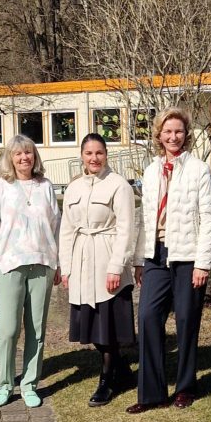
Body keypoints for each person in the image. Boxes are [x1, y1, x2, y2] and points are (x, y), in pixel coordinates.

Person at [127, 107, 211, 413]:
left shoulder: (198, 169)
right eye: (167, 131)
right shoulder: (151, 171)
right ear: (159, 135)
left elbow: (208, 218)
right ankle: (151, 393)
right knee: (148, 317)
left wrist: (203, 263)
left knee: (187, 320)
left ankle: (185, 387)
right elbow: (145, 217)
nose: (173, 136)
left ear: (186, 134)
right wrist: (139, 259)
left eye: (178, 131)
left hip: (188, 255)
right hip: (156, 254)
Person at [0, 134, 61, 407]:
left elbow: (56, 225)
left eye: (28, 152)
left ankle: (29, 384)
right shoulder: (1, 186)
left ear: (34, 156)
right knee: (8, 330)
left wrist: (58, 262)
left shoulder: (45, 185)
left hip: (42, 264)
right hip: (8, 266)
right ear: (10, 158)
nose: (24, 157)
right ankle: (5, 384)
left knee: (36, 329)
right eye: (18, 153)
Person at [59, 133, 136, 406]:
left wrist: (116, 267)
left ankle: (107, 380)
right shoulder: (73, 188)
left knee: (108, 325)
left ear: (106, 154)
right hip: (82, 260)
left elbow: (126, 229)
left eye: (99, 153)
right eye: (89, 153)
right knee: (92, 325)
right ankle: (122, 369)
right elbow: (67, 229)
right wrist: (66, 267)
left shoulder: (118, 185)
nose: (94, 158)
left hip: (107, 257)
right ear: (82, 156)